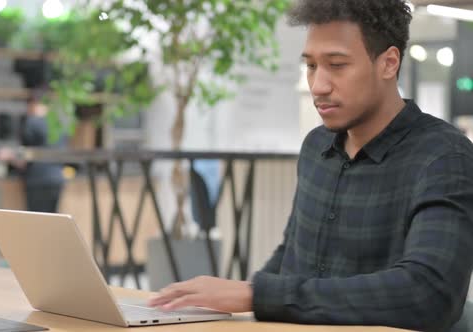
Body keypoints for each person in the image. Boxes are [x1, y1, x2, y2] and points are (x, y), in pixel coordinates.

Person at [148, 1, 473, 331]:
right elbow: (292, 255)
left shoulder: (444, 157)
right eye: (311, 66)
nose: (318, 85)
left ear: (388, 63)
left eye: (337, 65)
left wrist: (255, 294)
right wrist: (227, 303)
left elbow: (430, 294)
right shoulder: (316, 146)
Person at [0, 90, 65, 213]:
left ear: (33, 104)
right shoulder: (57, 124)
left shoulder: (32, 122)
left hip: (37, 179)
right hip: (56, 178)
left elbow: (24, 156)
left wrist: (8, 155)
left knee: (36, 220)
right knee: (52, 219)